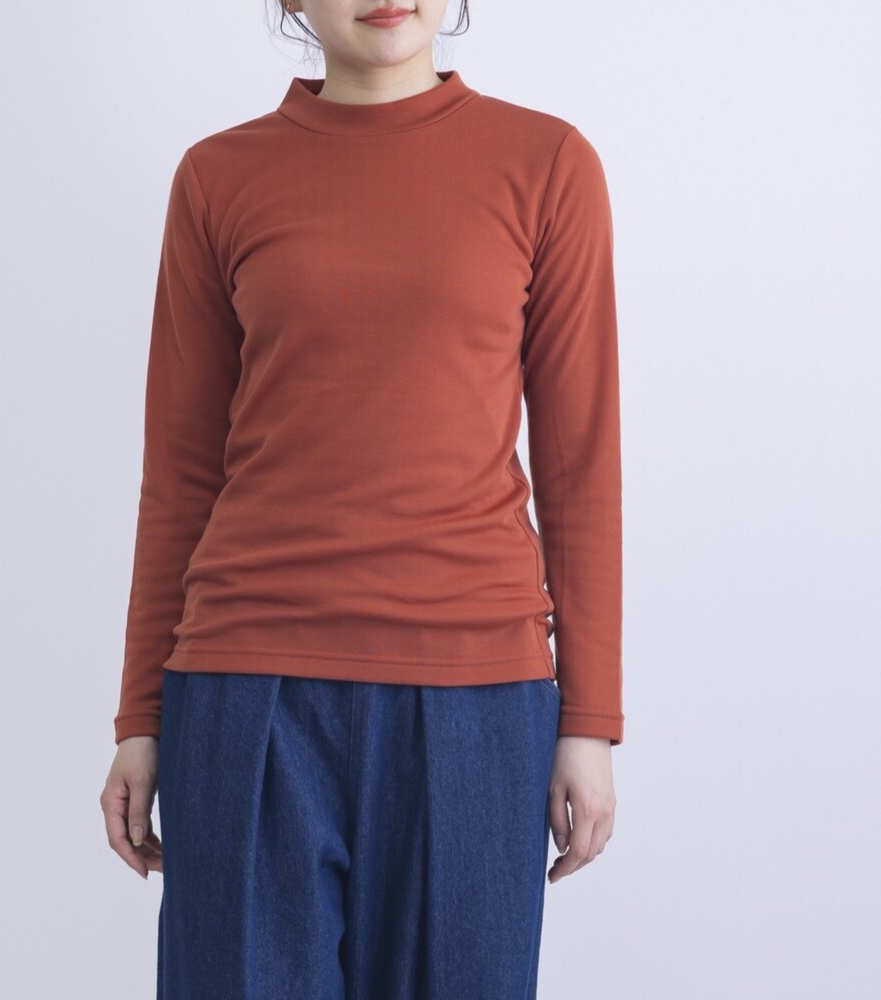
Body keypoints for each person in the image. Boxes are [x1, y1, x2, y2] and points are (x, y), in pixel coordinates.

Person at [100, 1, 624, 996]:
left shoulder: (548, 165)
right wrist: (140, 716)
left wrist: (589, 720)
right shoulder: (217, 177)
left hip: (477, 696)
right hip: (248, 686)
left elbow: (579, 464)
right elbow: (180, 475)